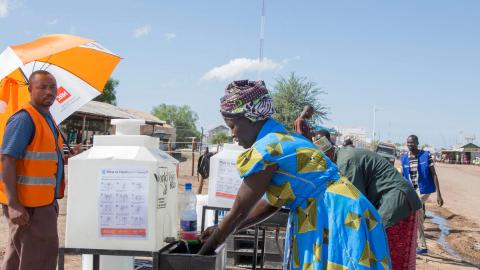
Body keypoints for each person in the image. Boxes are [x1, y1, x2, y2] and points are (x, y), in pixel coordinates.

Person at [198, 80, 391, 269]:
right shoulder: (286, 139)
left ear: (251, 118)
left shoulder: (266, 150)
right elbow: (272, 203)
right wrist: (223, 230)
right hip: (344, 208)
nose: (232, 134)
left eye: (232, 126)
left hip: (335, 216)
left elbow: (238, 212)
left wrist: (199, 256)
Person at [315, 131, 422, 270]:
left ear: (327, 154)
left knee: (378, 241)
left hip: (397, 201)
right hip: (393, 200)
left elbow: (354, 202)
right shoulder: (342, 156)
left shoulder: (346, 162)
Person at [0, 70, 65, 270]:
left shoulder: (47, 118)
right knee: (38, 260)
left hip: (42, 203)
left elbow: (39, 157)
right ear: (30, 89)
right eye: (42, 87)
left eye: (52, 87)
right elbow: (6, 159)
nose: (49, 91)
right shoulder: (24, 119)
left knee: (19, 259)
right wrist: (13, 205)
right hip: (27, 207)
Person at [401, 135, 444, 255]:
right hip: (411, 191)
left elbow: (434, 174)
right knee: (417, 217)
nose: (410, 144)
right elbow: (403, 177)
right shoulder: (404, 158)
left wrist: (439, 195)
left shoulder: (426, 156)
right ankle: (422, 246)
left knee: (414, 213)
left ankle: (414, 243)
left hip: (424, 190)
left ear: (417, 143)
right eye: (408, 142)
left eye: (412, 142)